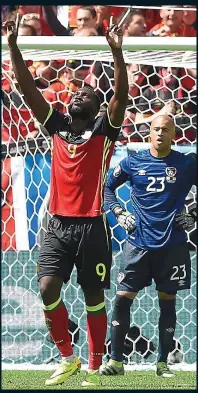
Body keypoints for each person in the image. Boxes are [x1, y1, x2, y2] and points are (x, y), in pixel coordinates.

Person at [4, 18, 128, 387]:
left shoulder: (106, 128)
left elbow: (120, 96)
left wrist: (117, 54)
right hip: (56, 222)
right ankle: (67, 358)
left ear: (97, 106)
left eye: (87, 94)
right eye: (76, 93)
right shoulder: (57, 124)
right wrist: (12, 46)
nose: (77, 95)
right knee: (47, 288)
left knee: (92, 295)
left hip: (92, 223)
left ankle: (94, 365)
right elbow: (28, 91)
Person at [101, 114, 196, 377]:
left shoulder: (186, 164)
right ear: (149, 132)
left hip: (173, 245)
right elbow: (106, 187)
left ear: (174, 133)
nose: (160, 133)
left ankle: (162, 363)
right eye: (156, 129)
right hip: (137, 245)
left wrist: (194, 214)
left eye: (166, 129)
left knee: (168, 303)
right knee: (122, 300)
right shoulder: (133, 161)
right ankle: (116, 362)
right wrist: (119, 212)